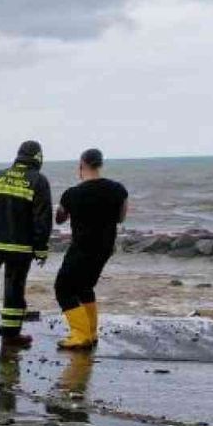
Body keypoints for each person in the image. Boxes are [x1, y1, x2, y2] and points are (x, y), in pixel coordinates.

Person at [0, 140, 53, 347]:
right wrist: (41, 249)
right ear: (38, 158)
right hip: (19, 247)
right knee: (14, 288)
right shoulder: (38, 181)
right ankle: (10, 335)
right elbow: (42, 218)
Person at [54, 148, 128, 349]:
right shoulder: (118, 190)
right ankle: (91, 333)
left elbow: (59, 219)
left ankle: (80, 335)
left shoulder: (72, 194)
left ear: (82, 165)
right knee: (85, 287)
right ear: (100, 164)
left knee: (63, 288)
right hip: (105, 247)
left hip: (81, 247)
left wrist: (62, 208)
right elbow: (121, 217)